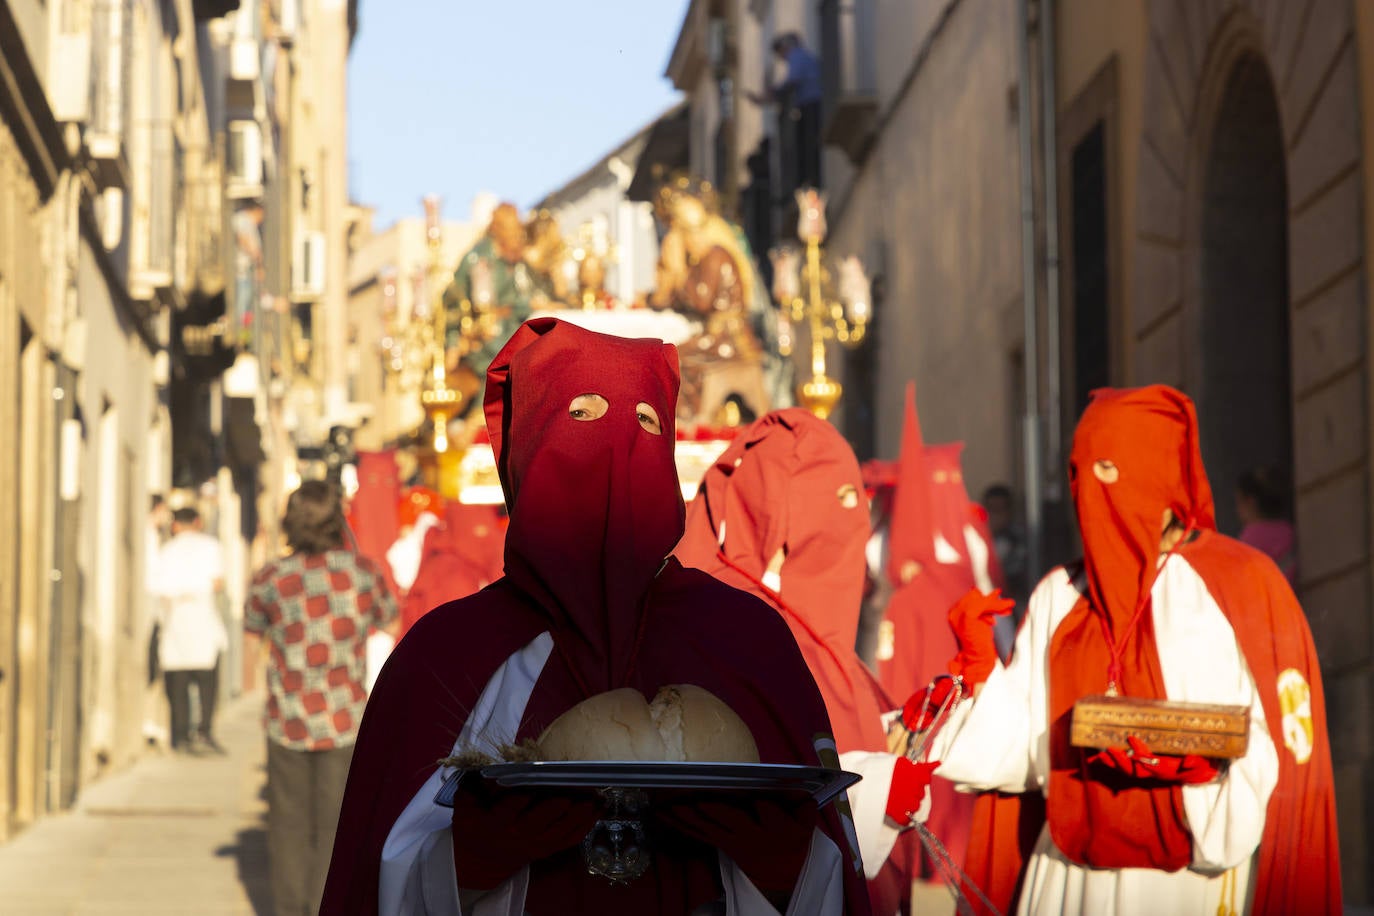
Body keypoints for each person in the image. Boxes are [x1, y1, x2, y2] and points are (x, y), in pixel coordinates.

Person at [320, 317, 872, 916]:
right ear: (530, 444)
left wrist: (782, 863)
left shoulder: (746, 639)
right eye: (579, 415)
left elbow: (828, 872)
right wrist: (463, 863)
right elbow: (375, 881)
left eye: (644, 420)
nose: (615, 446)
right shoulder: (448, 655)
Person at [906, 385, 1341, 915]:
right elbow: (1022, 752)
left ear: (1154, 473)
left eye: (1108, 469)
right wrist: (980, 678)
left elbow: (1276, 759)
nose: (1089, 489)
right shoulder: (1060, 596)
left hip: (1190, 887)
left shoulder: (1239, 587)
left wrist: (1185, 772)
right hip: (1070, 884)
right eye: (1077, 471)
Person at [676, 408, 937, 916]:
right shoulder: (730, 625)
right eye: (833, 505)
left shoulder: (807, 618)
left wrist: (898, 727)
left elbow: (831, 726)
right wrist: (878, 787)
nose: (844, 530)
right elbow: (749, 792)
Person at [245, 480, 399, 916]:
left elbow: (252, 629)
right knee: (338, 830)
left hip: (287, 717)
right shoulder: (363, 574)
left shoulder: (271, 577)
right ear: (338, 522)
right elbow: (389, 619)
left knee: (288, 827)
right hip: (344, 718)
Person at [149, 506, 227, 755]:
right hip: (203, 621)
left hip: (176, 623)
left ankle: (180, 736)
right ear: (198, 521)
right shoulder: (211, 546)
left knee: (178, 685)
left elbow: (159, 589)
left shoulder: (167, 550)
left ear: (175, 525)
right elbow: (217, 582)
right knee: (207, 684)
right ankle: (204, 731)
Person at [443, 202, 538, 398]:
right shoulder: (478, 259)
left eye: (517, 229)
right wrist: (453, 341)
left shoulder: (516, 260)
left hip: (512, 325)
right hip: (484, 334)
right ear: (497, 229)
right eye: (511, 230)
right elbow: (453, 300)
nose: (516, 235)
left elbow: (524, 295)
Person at [747, 33, 822, 189]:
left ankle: (808, 180)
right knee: (808, 143)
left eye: (779, 52)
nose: (781, 57)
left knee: (808, 143)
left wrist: (772, 91)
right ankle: (809, 179)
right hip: (810, 103)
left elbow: (793, 79)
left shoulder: (796, 56)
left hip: (811, 103)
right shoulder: (802, 56)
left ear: (785, 47)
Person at [1235, 467, 1297, 585]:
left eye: (1239, 502)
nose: (1237, 510)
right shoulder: (1289, 531)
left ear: (1250, 501)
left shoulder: (1250, 538)